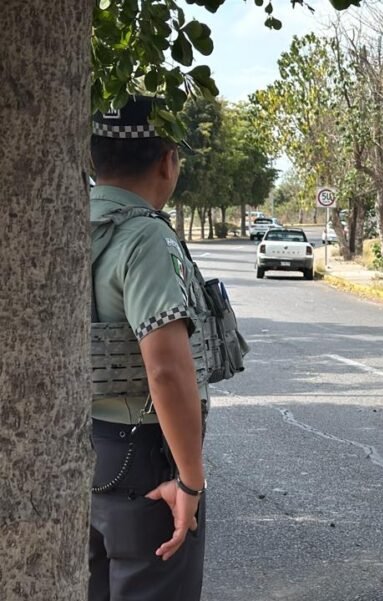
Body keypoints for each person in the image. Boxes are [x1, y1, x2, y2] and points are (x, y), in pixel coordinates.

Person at [88, 96, 208, 601]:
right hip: (142, 459)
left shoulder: (49, 224)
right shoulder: (146, 240)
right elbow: (167, 371)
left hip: (79, 446)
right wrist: (190, 483)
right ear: (166, 161)